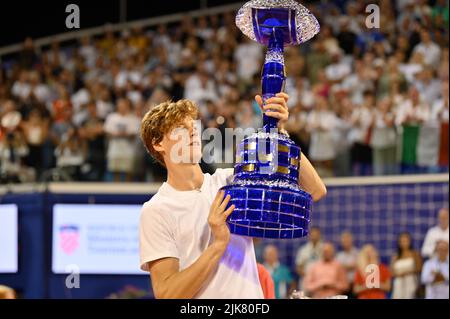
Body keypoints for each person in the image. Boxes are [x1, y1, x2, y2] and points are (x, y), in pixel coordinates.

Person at [139, 93, 327, 298]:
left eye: (193, 127)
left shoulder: (232, 180)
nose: (192, 133)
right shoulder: (156, 209)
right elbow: (167, 294)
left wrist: (279, 135)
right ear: (158, 143)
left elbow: (314, 190)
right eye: (181, 130)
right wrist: (218, 244)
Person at [390, 232, 422, 299]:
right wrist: (398, 274)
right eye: (402, 241)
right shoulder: (395, 256)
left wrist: (407, 272)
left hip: (411, 282)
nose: (404, 243)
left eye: (406, 241)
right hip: (398, 283)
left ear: (410, 241)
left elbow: (419, 268)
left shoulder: (415, 254)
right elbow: (391, 272)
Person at [336, 231, 359, 296]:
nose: (346, 242)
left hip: (355, 285)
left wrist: (343, 267)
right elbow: (338, 269)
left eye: (347, 240)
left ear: (351, 240)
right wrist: (350, 266)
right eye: (344, 240)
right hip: (343, 287)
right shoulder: (339, 256)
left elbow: (358, 266)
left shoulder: (357, 254)